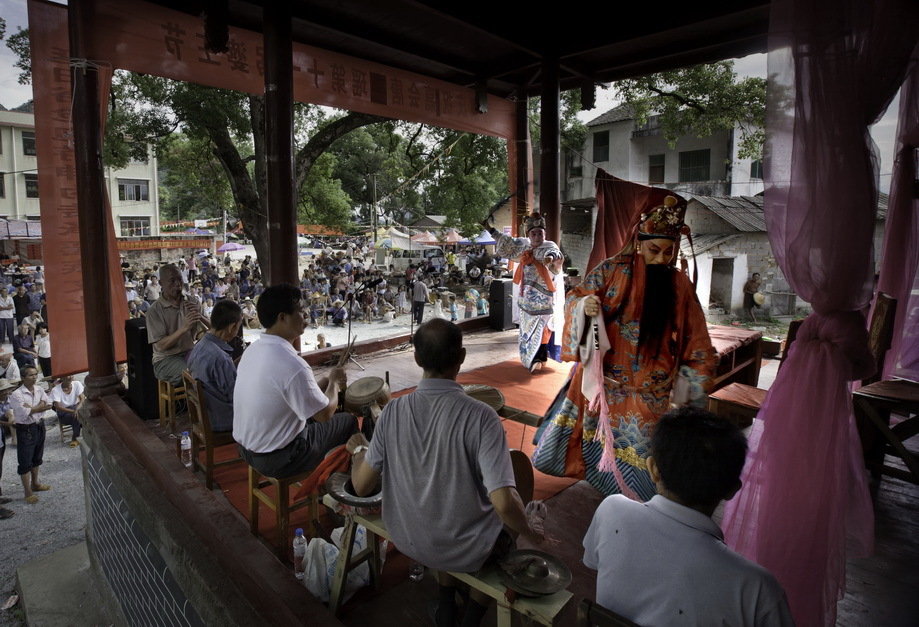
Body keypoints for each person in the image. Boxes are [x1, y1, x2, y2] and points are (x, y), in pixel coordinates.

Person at [350, 319, 546, 627]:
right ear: (462, 357)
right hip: (464, 552)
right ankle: (470, 618)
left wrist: (358, 451)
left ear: (416, 359)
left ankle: (445, 603)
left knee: (443, 492)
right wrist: (532, 530)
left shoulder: (392, 412)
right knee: (510, 508)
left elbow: (361, 487)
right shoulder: (482, 417)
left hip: (407, 539)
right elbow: (506, 505)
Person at [533, 196, 717, 500]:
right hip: (606, 389)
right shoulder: (610, 271)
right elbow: (574, 298)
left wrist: (688, 398)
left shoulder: (679, 286)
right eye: (654, 250)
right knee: (598, 453)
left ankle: (636, 509)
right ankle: (608, 500)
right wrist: (584, 306)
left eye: (669, 252)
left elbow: (698, 346)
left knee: (646, 470)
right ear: (638, 244)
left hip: (652, 396)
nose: (661, 259)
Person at [583, 407, 793, 626]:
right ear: (732, 489)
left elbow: (594, 563)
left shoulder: (612, 511)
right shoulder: (758, 590)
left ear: (653, 469)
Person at [234, 284, 357, 479]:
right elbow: (324, 414)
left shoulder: (252, 350)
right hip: (279, 458)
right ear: (282, 317)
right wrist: (333, 382)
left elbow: (286, 396)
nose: (306, 315)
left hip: (247, 449)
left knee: (311, 416)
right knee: (347, 421)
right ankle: (338, 488)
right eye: (300, 311)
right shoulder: (293, 364)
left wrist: (324, 381)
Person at [487, 213, 564, 373]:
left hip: (544, 298)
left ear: (545, 234)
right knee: (526, 330)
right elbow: (506, 242)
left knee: (543, 329)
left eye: (540, 233)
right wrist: (489, 228)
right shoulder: (523, 246)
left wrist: (549, 260)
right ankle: (529, 358)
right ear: (528, 235)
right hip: (526, 298)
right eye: (533, 233)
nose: (537, 236)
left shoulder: (550, 247)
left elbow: (555, 256)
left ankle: (539, 357)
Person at [146, 264, 207, 386]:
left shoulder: (192, 302)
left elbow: (203, 333)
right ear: (161, 283)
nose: (178, 284)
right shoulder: (154, 311)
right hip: (165, 359)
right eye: (172, 280)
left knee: (212, 367)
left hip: (188, 351)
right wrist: (184, 328)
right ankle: (190, 405)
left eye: (179, 279)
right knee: (194, 376)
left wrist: (200, 316)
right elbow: (161, 346)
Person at [187, 300, 242, 432]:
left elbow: (214, 378)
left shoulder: (199, 345)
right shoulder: (221, 359)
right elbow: (236, 397)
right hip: (222, 419)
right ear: (232, 327)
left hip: (205, 414)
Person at [10, 366, 53, 504]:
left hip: (39, 425)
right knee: (25, 461)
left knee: (37, 457)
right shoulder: (16, 394)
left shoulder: (39, 389)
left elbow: (49, 403)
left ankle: (35, 483)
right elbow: (23, 413)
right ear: (23, 377)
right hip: (25, 429)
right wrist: (40, 406)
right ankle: (27, 491)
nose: (34, 377)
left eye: (35, 374)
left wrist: (34, 408)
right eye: (30, 375)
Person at [51, 375, 84, 448]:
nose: (70, 377)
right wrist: (73, 411)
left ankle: (85, 431)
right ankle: (75, 438)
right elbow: (58, 407)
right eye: (67, 375)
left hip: (76, 407)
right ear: (62, 377)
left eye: (71, 375)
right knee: (75, 417)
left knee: (85, 412)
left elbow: (82, 398)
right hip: (63, 412)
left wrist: (77, 409)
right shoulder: (56, 390)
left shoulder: (77, 384)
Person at [0, 379, 17, 518]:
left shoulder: (6, 401)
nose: (6, 392)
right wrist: (9, 423)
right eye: (3, 390)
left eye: (7, 390)